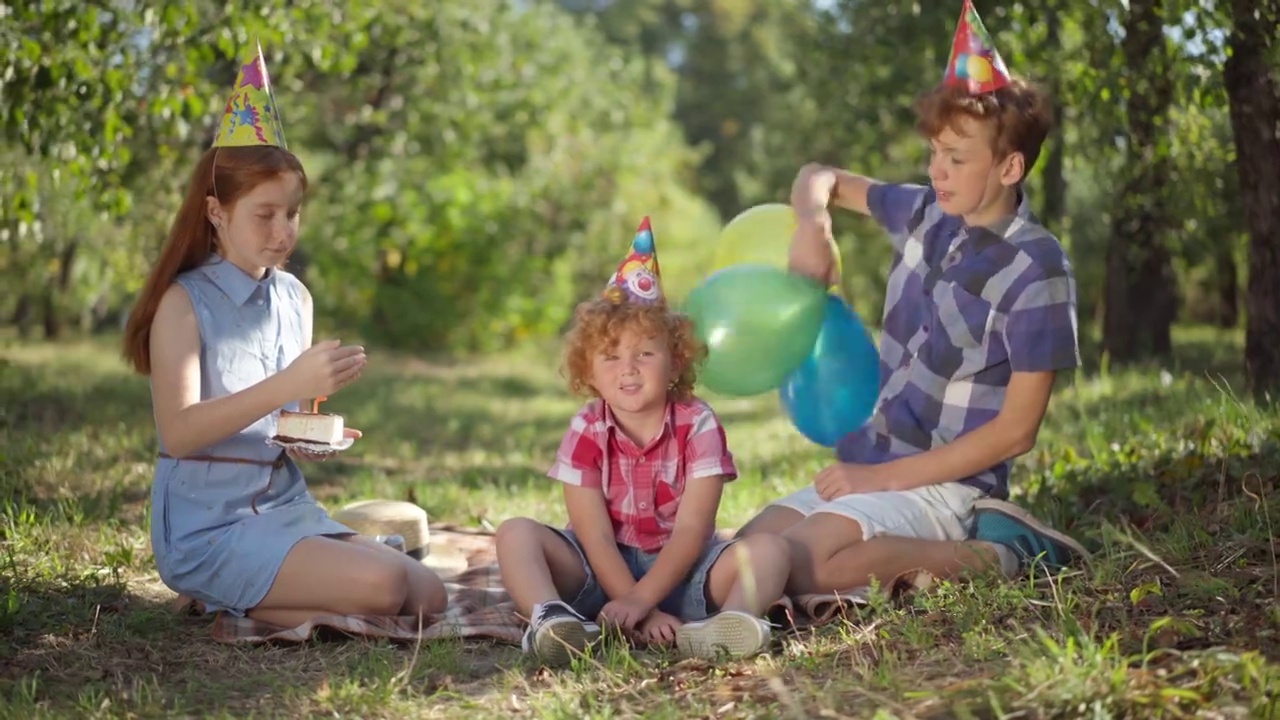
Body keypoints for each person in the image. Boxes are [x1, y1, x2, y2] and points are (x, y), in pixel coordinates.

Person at [737, 1, 1089, 596]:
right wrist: (812, 224)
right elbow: (817, 175)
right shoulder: (926, 214)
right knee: (746, 557)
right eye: (933, 152)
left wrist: (884, 480)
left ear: (1009, 167)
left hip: (945, 483)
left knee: (797, 571)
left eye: (957, 157)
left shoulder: (1038, 268)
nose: (937, 171)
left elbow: (1016, 432)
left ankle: (1000, 553)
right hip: (874, 465)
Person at [121, 45, 447, 628]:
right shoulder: (183, 303)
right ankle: (215, 591)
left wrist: (314, 433)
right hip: (209, 525)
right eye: (265, 214)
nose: (283, 231)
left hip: (281, 507)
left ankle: (268, 592)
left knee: (427, 595)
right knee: (383, 585)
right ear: (217, 213)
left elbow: (281, 427)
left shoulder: (295, 298)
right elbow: (180, 432)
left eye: (293, 213)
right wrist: (287, 385)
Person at [496, 218, 791, 666]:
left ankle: (730, 625)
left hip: (685, 572)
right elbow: (593, 535)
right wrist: (636, 605)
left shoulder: (698, 424)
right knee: (515, 532)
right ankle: (553, 621)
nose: (627, 368)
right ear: (589, 372)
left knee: (771, 550)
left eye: (645, 354)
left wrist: (647, 602)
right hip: (598, 575)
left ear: (675, 364)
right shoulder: (587, 428)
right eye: (610, 357)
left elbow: (693, 530)